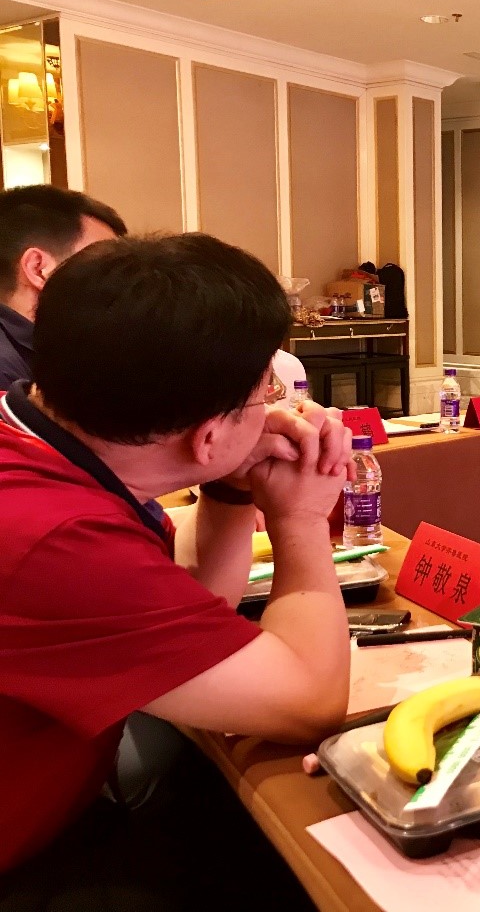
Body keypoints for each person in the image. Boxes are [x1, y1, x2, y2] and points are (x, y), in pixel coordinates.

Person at [0, 234, 355, 908]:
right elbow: (308, 702)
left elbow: (193, 604)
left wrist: (229, 486)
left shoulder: (42, 449)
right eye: (264, 392)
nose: (275, 407)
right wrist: (302, 519)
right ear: (208, 434)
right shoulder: (55, 539)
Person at [0, 185, 127, 391]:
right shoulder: (6, 370)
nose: (119, 282)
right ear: (38, 268)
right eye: (105, 265)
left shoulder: (52, 353)